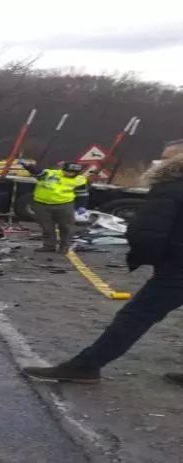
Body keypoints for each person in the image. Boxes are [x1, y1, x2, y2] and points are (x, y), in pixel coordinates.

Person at [24, 140, 183, 387]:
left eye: (165, 158)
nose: (158, 161)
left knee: (136, 316)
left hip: (177, 269)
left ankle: (85, 367)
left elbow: (145, 232)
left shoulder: (171, 188)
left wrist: (155, 260)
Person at [22, 160, 90, 253]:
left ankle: (64, 247)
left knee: (66, 227)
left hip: (64, 204)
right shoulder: (50, 174)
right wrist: (28, 166)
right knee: (47, 227)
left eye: (73, 172)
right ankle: (49, 246)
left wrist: (82, 206)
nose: (70, 174)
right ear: (63, 169)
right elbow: (38, 172)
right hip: (42, 204)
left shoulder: (80, 180)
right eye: (68, 171)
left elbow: (82, 194)